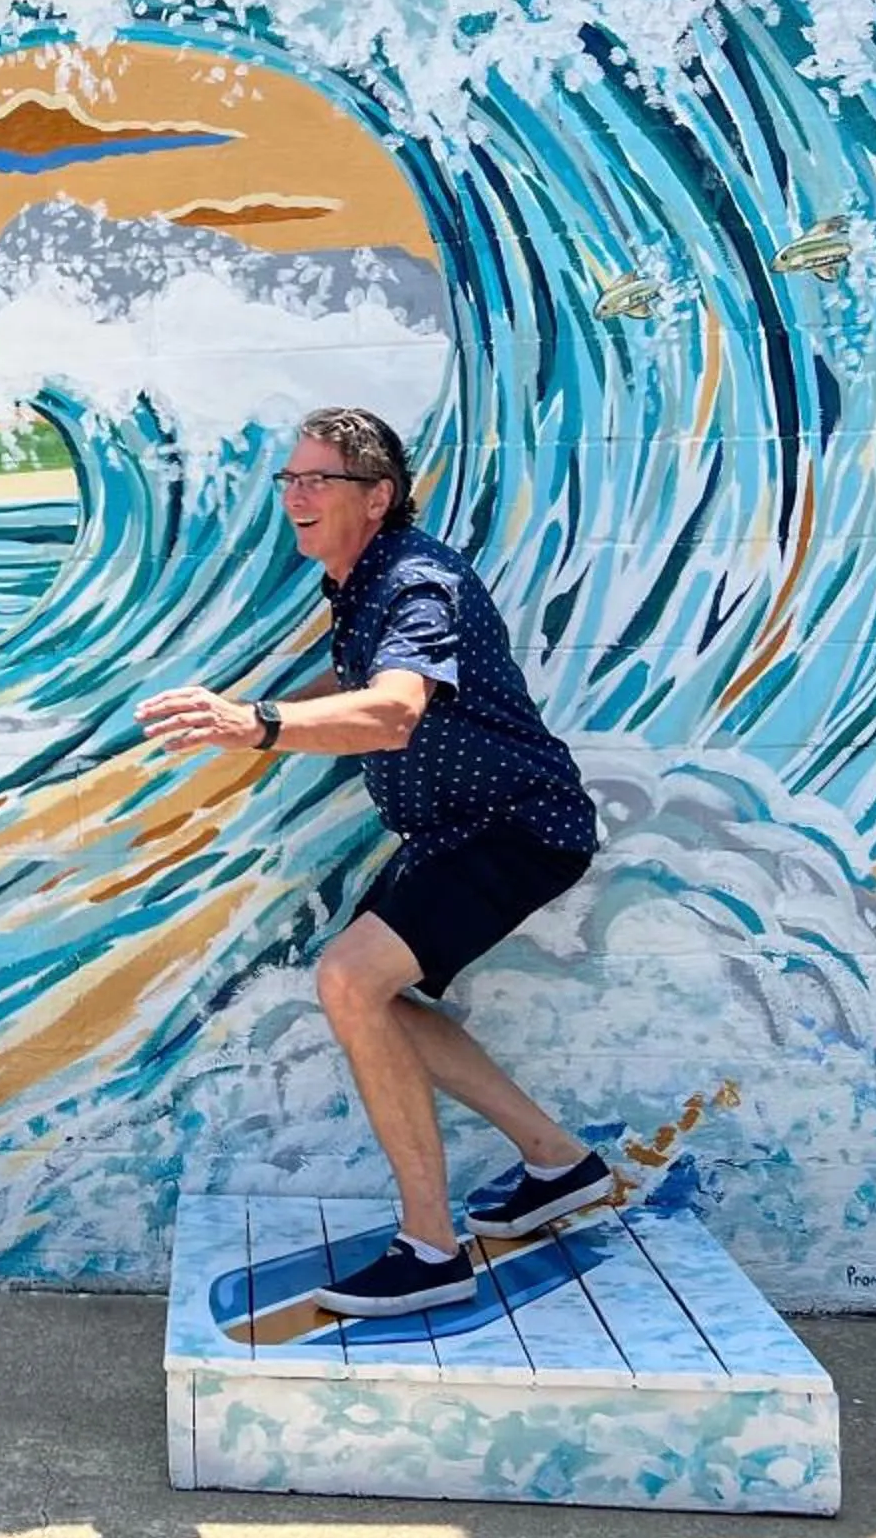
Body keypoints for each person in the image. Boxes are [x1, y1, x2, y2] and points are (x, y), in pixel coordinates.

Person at [135, 406, 609, 1316]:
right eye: (292, 479)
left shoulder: (415, 583)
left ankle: (431, 1250)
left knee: (350, 982)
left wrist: (260, 727)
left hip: (515, 827)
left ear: (378, 496)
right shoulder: (356, 582)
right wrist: (253, 711)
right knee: (376, 997)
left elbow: (392, 710)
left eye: (320, 480)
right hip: (453, 832)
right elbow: (356, 682)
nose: (298, 496)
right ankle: (560, 1164)